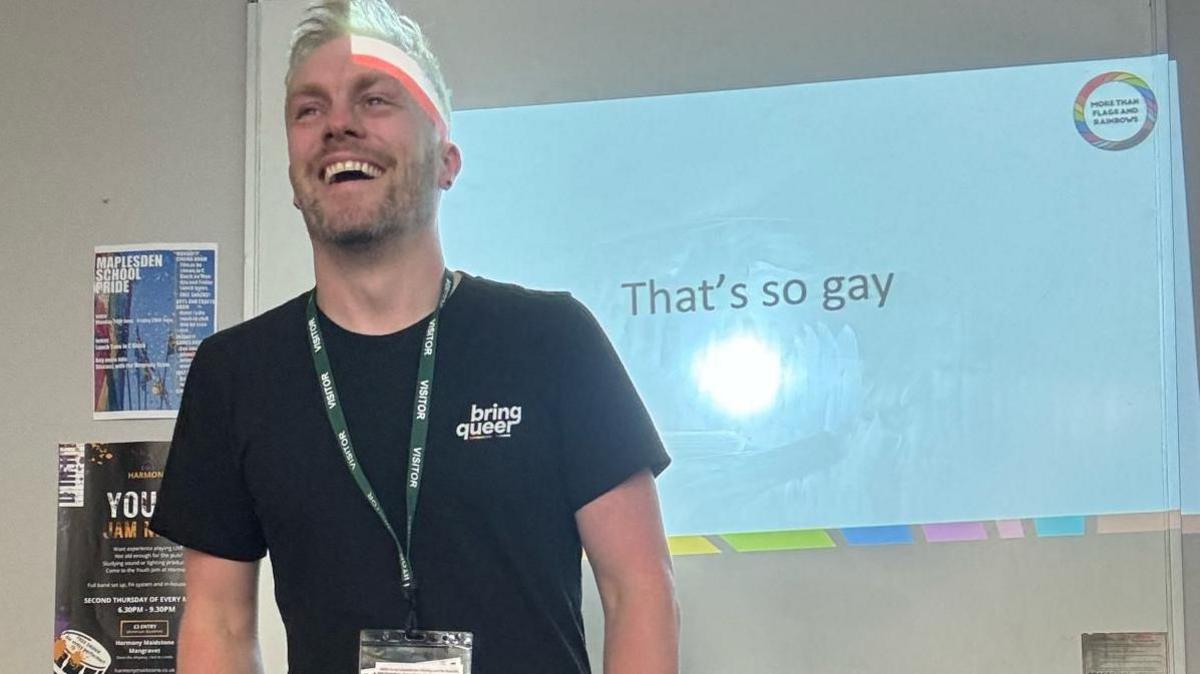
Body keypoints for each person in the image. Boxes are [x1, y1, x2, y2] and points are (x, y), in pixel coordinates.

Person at [150, 1, 679, 673]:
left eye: (374, 100)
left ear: (446, 160)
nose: (338, 124)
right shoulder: (235, 374)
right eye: (309, 110)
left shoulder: (552, 340)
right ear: (292, 176)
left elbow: (638, 589)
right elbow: (218, 624)